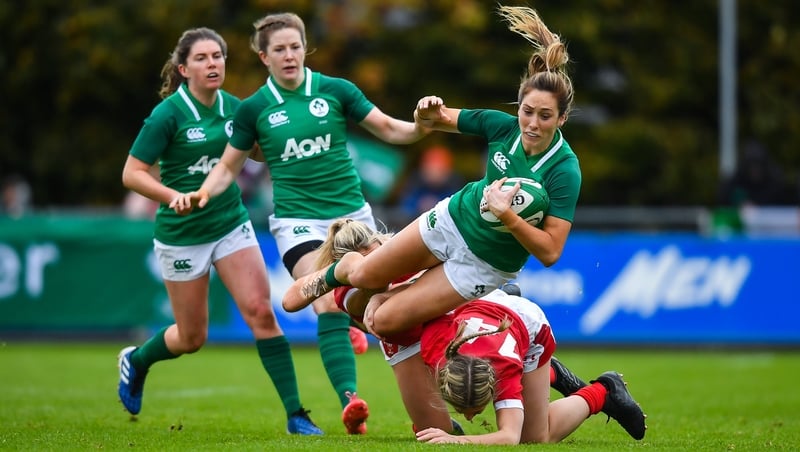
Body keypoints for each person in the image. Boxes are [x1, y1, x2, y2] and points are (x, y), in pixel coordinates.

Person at [171, 12, 434, 435]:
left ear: (305, 49)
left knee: (395, 309)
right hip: (299, 226)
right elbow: (227, 167)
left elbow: (388, 129)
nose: (289, 55)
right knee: (323, 299)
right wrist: (204, 192)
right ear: (264, 56)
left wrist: (421, 126)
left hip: (355, 221)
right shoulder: (255, 108)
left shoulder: (334, 90)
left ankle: (361, 332)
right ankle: (351, 401)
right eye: (279, 49)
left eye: (295, 46)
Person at [291, 4, 582, 339]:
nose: (532, 123)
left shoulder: (564, 170)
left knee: (382, 322)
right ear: (518, 107)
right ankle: (339, 272)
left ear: (561, 119)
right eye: (527, 111)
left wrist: (508, 216)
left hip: (483, 265)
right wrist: (424, 110)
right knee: (363, 281)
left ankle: (442, 296)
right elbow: (433, 120)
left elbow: (550, 252)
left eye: (545, 116)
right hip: (450, 220)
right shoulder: (501, 127)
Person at [117, 27, 323, 435]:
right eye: (202, 58)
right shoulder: (167, 115)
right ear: (184, 68)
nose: (213, 64)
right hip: (182, 234)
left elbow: (260, 150)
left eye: (218, 57)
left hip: (231, 224)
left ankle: (297, 414)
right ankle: (137, 360)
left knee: (262, 313)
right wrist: (170, 194)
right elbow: (131, 173)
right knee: (192, 337)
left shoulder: (237, 108)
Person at [285, 218, 646, 444]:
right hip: (412, 344)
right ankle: (544, 370)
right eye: (368, 260)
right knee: (433, 432)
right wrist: (337, 274)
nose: (380, 258)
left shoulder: (401, 251)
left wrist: (388, 292)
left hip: (452, 324)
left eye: (380, 251)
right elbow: (292, 301)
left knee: (532, 436)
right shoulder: (346, 284)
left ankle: (598, 390)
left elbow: (450, 275)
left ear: (381, 245)